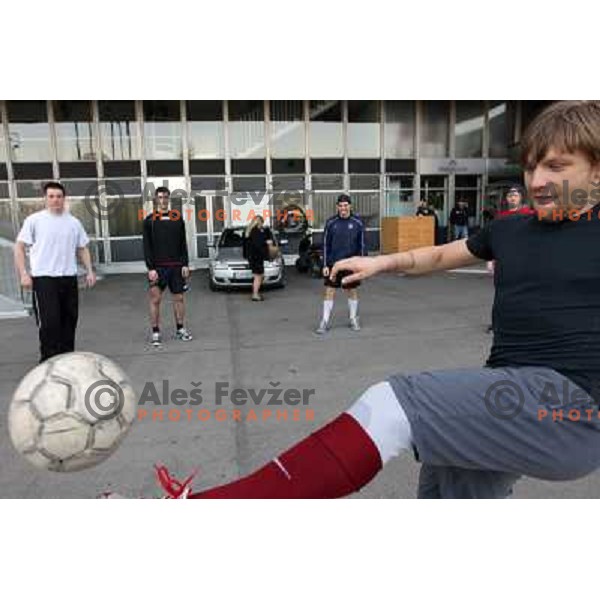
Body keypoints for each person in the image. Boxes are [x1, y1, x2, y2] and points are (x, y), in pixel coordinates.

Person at [152, 100, 600, 500]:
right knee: (449, 487)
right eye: (530, 167)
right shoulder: (511, 228)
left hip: (570, 408)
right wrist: (380, 263)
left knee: (392, 403)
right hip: (507, 394)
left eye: (557, 167)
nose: (538, 179)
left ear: (595, 172)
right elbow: (444, 253)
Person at [14, 181, 96, 362]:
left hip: (68, 278)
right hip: (44, 280)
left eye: (59, 196)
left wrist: (90, 271)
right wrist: (24, 274)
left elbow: (82, 248)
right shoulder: (34, 220)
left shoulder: (73, 222)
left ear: (64, 199)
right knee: (50, 323)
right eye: (51, 196)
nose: (55, 200)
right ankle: (48, 362)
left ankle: (66, 361)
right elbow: (19, 247)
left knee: (69, 321)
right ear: (45, 198)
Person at [143, 186, 192, 347]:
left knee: (178, 298)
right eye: (160, 197)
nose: (163, 200)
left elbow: (182, 243)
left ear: (169, 199)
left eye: (165, 197)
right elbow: (146, 246)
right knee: (155, 299)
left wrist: (185, 263)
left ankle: (180, 329)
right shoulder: (149, 221)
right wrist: (150, 268)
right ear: (156, 200)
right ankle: (155, 332)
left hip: (176, 267)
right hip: (158, 268)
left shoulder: (177, 219)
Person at [485, 186, 535, 332]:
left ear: (521, 198)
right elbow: (494, 239)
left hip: (524, 260)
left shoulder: (530, 214)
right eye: (510, 195)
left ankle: (525, 322)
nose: (512, 198)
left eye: (515, 195)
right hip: (503, 262)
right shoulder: (501, 217)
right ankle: (497, 323)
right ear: (506, 199)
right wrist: (490, 260)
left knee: (525, 293)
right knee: (501, 295)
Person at [315, 194, 366, 334]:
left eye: (346, 205)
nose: (343, 208)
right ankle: (324, 321)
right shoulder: (331, 223)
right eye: (341, 205)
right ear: (337, 207)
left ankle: (353, 318)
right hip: (333, 264)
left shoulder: (358, 223)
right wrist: (325, 265)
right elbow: (325, 245)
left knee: (352, 291)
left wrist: (360, 266)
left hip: (351, 265)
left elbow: (361, 246)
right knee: (329, 292)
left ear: (350, 206)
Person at [244, 215, 275, 301]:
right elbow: (258, 245)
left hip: (255, 257)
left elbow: (267, 242)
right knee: (258, 276)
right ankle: (255, 294)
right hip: (256, 257)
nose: (261, 224)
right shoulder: (254, 232)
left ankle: (256, 292)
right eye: (261, 222)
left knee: (259, 275)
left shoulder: (253, 231)